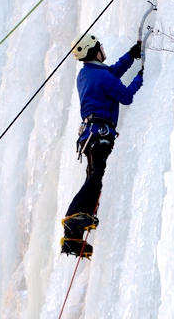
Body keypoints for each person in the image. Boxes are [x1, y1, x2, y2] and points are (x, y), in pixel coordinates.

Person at [61, 33, 145, 258]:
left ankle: (73, 238)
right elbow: (125, 96)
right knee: (96, 176)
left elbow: (112, 73)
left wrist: (130, 55)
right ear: (93, 51)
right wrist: (140, 77)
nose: (103, 49)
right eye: (99, 47)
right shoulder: (101, 77)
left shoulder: (86, 74)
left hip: (89, 135)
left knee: (94, 178)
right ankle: (73, 219)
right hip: (100, 134)